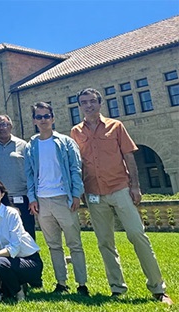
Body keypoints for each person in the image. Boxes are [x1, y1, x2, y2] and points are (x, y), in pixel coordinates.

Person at [71, 88, 172, 305]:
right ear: (79, 106)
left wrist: (135, 186)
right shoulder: (76, 132)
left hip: (119, 189)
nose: (88, 105)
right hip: (94, 193)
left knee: (137, 235)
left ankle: (158, 288)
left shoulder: (116, 126)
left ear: (100, 103)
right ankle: (117, 288)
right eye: (83, 102)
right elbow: (77, 164)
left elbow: (129, 156)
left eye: (92, 101)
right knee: (105, 242)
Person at [24, 102, 89, 296]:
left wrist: (76, 194)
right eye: (39, 117)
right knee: (53, 245)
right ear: (34, 121)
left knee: (75, 244)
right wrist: (32, 198)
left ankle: (82, 284)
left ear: (53, 118)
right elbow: (29, 174)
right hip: (42, 201)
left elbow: (75, 169)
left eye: (46, 116)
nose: (43, 120)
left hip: (63, 198)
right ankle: (61, 282)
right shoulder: (31, 145)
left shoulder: (66, 142)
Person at [0, 176, 43, 302]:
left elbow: (14, 247)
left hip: (29, 261)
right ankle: (10, 284)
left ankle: (19, 292)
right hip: (7, 262)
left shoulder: (12, 214)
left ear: (2, 194)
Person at [0, 115, 35, 239]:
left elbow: (32, 172)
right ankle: (7, 258)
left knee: (27, 233)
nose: (2, 128)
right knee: (6, 234)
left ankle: (32, 258)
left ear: (10, 126)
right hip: (2, 199)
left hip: (23, 196)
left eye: (5, 124)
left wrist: (33, 196)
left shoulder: (23, 145)